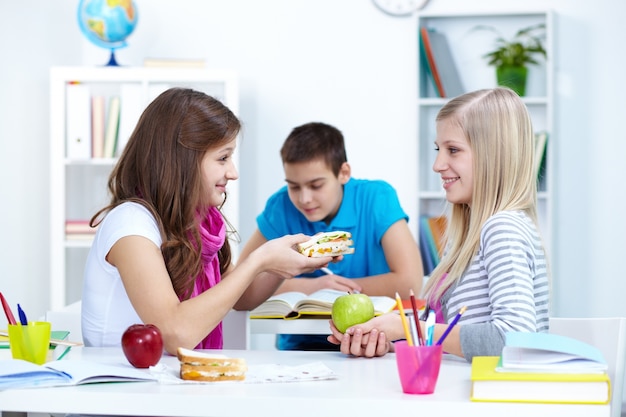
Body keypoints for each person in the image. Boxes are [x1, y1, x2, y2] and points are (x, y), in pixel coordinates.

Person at [81, 88, 335, 355]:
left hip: (166, 382)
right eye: (223, 158)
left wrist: (287, 261)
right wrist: (258, 261)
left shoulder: (197, 223)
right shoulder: (130, 225)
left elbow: (241, 297)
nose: (233, 172)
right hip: (123, 388)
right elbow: (174, 333)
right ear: (182, 161)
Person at [328, 87, 550, 361]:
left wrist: (408, 327)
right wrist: (389, 344)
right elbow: (453, 348)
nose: (437, 164)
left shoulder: (502, 228)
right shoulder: (471, 236)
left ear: (494, 155)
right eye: (438, 149)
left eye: (453, 150)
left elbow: (515, 340)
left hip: (491, 400)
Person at [238, 122, 423, 350]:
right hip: (301, 346)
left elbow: (409, 282)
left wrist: (336, 291)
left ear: (343, 173)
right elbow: (241, 282)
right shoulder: (280, 206)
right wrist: (314, 287)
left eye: (316, 185)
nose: (304, 198)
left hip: (375, 343)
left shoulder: (377, 198)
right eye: (294, 187)